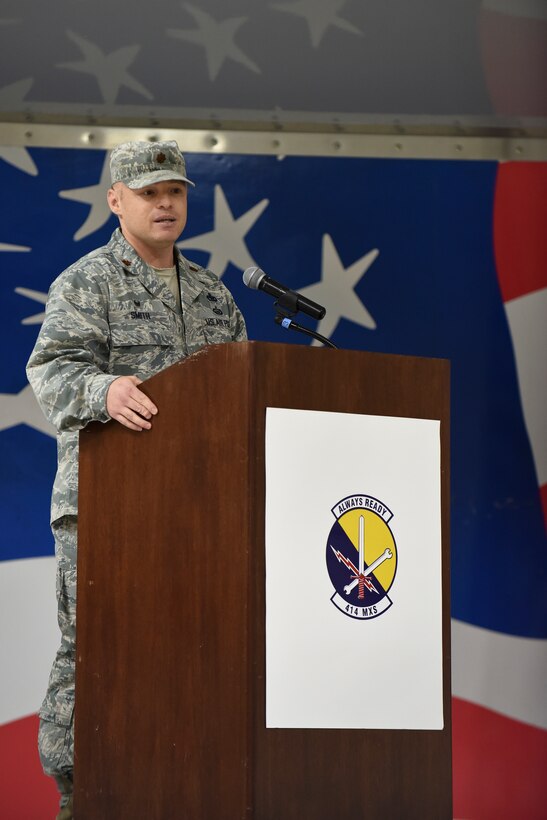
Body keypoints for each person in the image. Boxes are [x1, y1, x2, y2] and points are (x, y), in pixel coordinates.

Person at [26, 140, 247, 819]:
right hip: (108, 507)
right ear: (115, 200)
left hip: (202, 512)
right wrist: (104, 391)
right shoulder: (87, 281)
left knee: (199, 646)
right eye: (149, 192)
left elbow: (239, 388)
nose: (165, 204)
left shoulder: (213, 293)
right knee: (96, 648)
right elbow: (52, 372)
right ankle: (79, 793)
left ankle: (189, 785)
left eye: (174, 192)